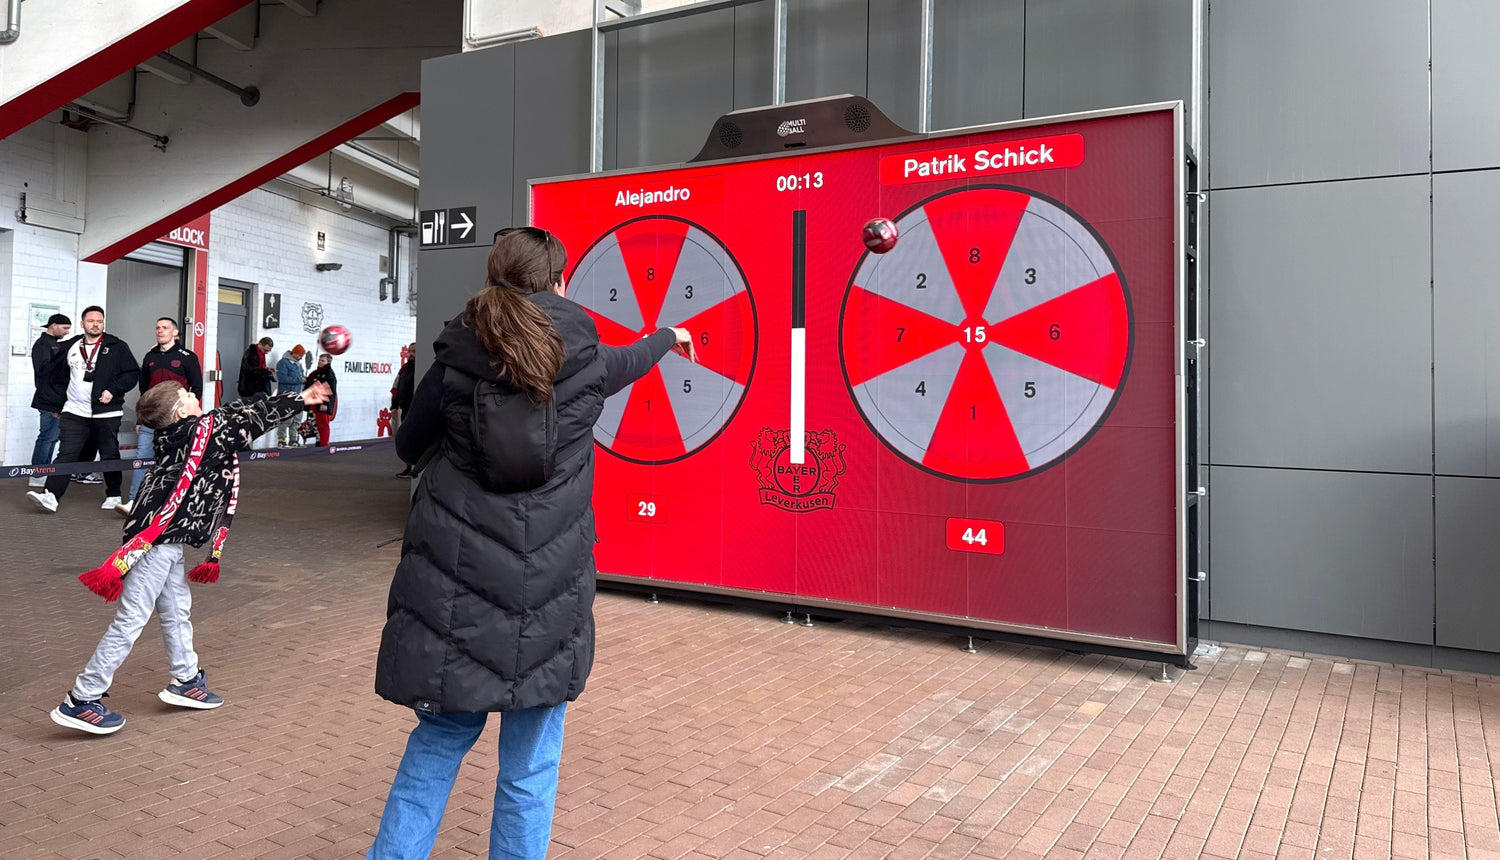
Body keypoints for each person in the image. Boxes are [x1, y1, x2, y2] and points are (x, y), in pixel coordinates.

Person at [367, 227, 696, 860]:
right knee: (530, 767)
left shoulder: (453, 361)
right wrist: (670, 337)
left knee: (434, 747)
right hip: (549, 597)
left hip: (453, 594)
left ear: (494, 279)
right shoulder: (591, 361)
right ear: (559, 282)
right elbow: (635, 358)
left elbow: (408, 446)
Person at [49, 378, 332, 735]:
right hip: (157, 541)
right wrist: (302, 399)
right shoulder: (204, 431)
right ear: (181, 411)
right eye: (188, 396)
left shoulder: (182, 434)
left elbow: (237, 412)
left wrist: (291, 399)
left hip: (166, 537)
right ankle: (82, 698)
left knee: (176, 609)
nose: (196, 398)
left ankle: (185, 680)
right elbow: (249, 417)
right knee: (131, 619)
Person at [27, 306, 139, 513]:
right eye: (91, 321)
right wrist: (55, 404)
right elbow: (57, 376)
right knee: (66, 453)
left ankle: (113, 495)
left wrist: (113, 390)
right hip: (74, 411)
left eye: (99, 321)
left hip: (106, 412)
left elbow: (132, 373)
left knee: (109, 453)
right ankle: (51, 495)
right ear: (82, 323)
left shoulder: (116, 346)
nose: (95, 324)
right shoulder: (71, 345)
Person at [119, 317, 203, 516]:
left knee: (176, 460)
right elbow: (144, 391)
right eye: (157, 327)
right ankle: (134, 501)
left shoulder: (187, 357)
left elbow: (197, 388)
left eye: (165, 327)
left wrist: (187, 416)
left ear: (175, 332)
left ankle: (176, 503)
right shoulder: (150, 357)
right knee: (143, 459)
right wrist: (141, 419)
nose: (160, 330)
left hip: (177, 421)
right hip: (152, 420)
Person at [28, 313, 72, 488]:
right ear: (53, 325)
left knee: (52, 439)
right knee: (47, 438)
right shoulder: (42, 345)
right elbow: (44, 373)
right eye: (64, 328)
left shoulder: (56, 345)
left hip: (57, 400)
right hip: (49, 401)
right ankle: (37, 474)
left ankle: (43, 471)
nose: (67, 332)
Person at [392, 343, 417, 477]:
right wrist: (394, 406)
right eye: (410, 351)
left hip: (416, 408)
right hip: (405, 407)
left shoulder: (420, 368)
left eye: (414, 351)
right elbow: (395, 388)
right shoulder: (403, 369)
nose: (411, 354)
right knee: (407, 438)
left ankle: (415, 467)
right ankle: (408, 467)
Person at [275, 344, 307, 446]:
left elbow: (301, 376)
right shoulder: (282, 363)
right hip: (286, 396)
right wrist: (300, 380)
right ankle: (282, 440)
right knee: (286, 419)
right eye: (300, 355)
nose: (301, 358)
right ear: (294, 353)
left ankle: (294, 440)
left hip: (298, 396)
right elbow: (282, 378)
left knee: (297, 419)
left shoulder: (298, 364)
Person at [303, 353, 338, 446]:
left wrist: (325, 404)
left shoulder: (329, 374)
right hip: (313, 403)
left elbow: (330, 391)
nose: (319, 362)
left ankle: (324, 444)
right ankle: (319, 443)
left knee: (323, 425)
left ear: (328, 362)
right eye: (319, 360)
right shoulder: (314, 373)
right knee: (315, 425)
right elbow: (307, 387)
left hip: (322, 403)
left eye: (322, 360)